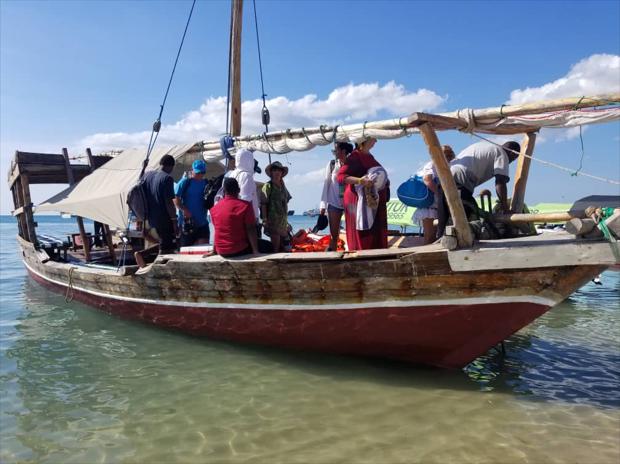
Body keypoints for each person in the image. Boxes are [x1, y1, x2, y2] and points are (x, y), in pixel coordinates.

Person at [437, 140, 521, 236]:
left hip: (444, 177)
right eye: (513, 159)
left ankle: (440, 239)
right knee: (469, 214)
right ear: (512, 153)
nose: (510, 162)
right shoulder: (502, 153)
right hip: (460, 182)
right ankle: (459, 242)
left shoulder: (484, 146)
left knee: (444, 217)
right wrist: (505, 208)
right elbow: (500, 182)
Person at [336, 136, 389, 250]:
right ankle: (362, 257)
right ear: (364, 141)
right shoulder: (355, 156)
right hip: (357, 201)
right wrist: (361, 181)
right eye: (373, 138)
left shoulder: (369, 156)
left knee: (374, 231)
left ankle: (375, 258)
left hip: (371, 199)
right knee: (364, 232)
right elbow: (340, 177)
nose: (376, 140)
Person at [135, 154, 178, 267]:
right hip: (164, 218)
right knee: (167, 247)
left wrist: (143, 167)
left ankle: (142, 255)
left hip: (150, 217)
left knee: (163, 242)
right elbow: (169, 202)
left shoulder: (147, 175)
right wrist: (174, 221)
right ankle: (157, 267)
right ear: (171, 166)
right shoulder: (167, 178)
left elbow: (138, 181)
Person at [412, 145, 456, 244]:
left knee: (435, 236)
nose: (448, 157)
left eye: (449, 155)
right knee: (430, 236)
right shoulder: (432, 165)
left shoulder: (446, 166)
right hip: (430, 205)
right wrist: (440, 194)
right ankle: (425, 257)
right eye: (446, 155)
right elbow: (427, 180)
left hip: (438, 206)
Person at [210, 177, 259, 257]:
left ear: (224, 192)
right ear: (238, 190)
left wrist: (214, 250)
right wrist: (255, 251)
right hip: (238, 250)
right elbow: (251, 229)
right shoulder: (245, 206)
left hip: (221, 251)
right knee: (269, 246)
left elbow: (216, 230)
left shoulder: (214, 208)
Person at [319, 142, 353, 250]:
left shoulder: (352, 164)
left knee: (352, 232)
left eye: (336, 150)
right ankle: (332, 257)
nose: (334, 153)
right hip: (334, 203)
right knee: (334, 235)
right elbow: (326, 184)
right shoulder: (332, 164)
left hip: (350, 203)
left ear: (343, 151)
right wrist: (323, 206)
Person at [173, 159, 210, 247]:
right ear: (192, 170)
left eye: (202, 172)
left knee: (203, 249)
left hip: (202, 223)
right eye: (197, 172)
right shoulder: (185, 182)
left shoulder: (206, 183)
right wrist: (184, 209)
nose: (200, 175)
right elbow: (174, 198)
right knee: (187, 251)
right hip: (187, 224)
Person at [260, 161, 292, 252]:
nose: (277, 172)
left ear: (282, 173)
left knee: (286, 248)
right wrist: (265, 220)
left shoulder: (283, 186)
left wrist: (286, 222)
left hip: (282, 222)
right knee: (276, 249)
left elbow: (286, 201)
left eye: (279, 170)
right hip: (272, 222)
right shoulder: (268, 186)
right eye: (274, 170)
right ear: (271, 173)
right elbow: (263, 203)